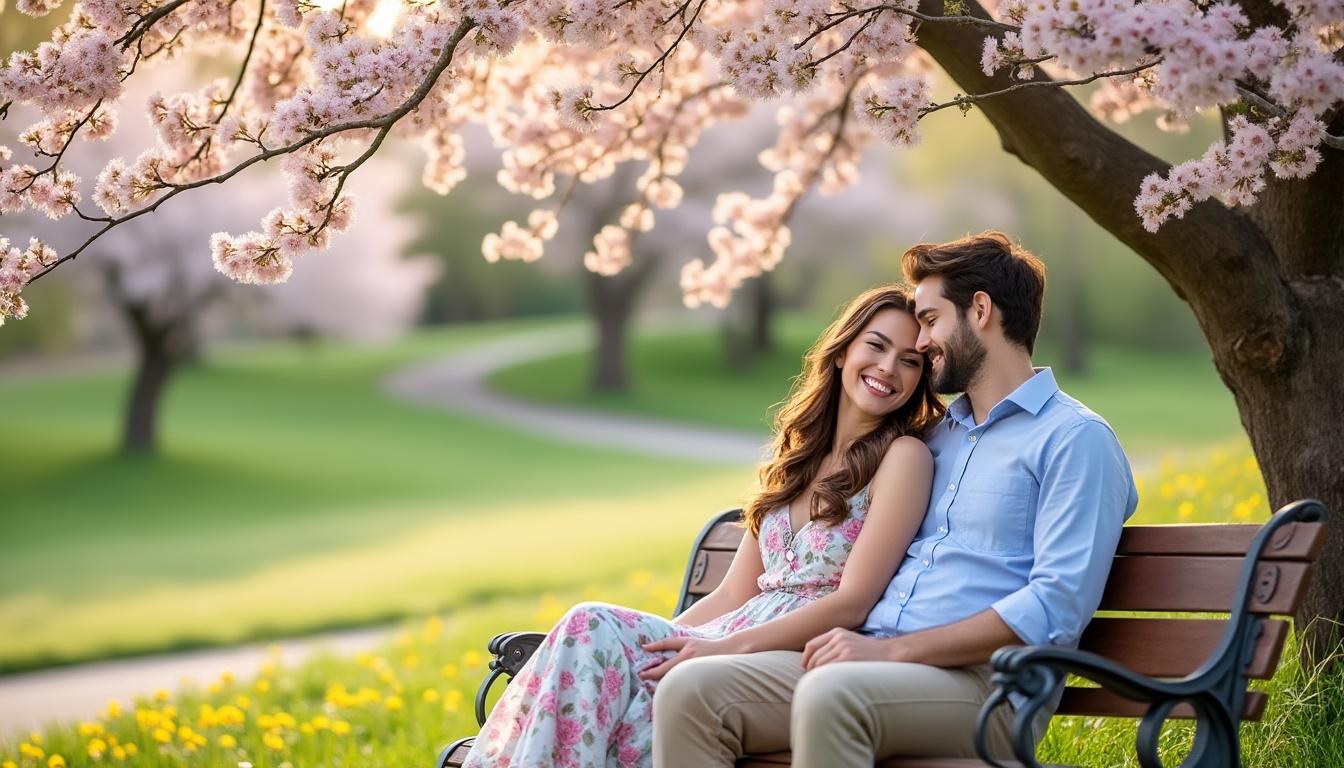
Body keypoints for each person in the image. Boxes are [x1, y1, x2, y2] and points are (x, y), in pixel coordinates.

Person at [652, 232, 1139, 767]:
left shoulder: (1075, 439)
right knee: (692, 690)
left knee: (833, 694)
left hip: (988, 687)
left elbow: (1057, 605)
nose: (923, 341)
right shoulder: (938, 439)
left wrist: (892, 651)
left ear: (979, 310)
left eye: (930, 320)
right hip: (871, 661)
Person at [462, 285, 945, 768]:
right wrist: (661, 646)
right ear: (842, 352)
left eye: (909, 361)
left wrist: (720, 647)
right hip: (731, 634)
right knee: (594, 631)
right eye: (876, 346)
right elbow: (735, 594)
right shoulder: (799, 456)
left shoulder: (903, 458)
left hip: (785, 654)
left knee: (602, 633)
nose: (887, 369)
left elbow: (852, 601)